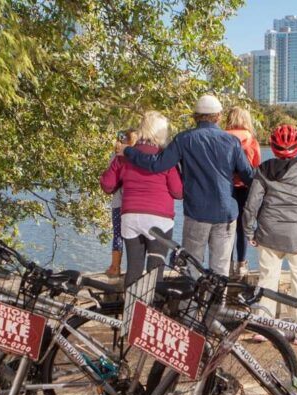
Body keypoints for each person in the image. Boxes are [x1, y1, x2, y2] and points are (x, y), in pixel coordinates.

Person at [118, 95, 254, 277]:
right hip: (226, 213)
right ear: (219, 116)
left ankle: (191, 305)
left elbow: (156, 164)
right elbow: (248, 176)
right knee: (220, 271)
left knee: (193, 267)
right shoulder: (232, 142)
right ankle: (216, 306)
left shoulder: (183, 140)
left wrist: (128, 151)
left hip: (197, 213)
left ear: (195, 116)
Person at [243, 124, 297, 346]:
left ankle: (263, 326)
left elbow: (251, 205)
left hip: (268, 234)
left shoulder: (263, 169)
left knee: (267, 279)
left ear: (273, 146)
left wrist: (249, 230)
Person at [100, 111, 183, 290]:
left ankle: (130, 314)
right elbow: (178, 192)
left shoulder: (125, 155)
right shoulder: (164, 157)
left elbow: (107, 185)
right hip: (159, 219)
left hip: (131, 218)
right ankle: (152, 313)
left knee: (134, 269)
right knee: (155, 272)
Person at [225, 107, 261, 278]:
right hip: (246, 188)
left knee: (227, 226)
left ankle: (228, 263)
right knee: (242, 226)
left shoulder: (222, 137)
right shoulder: (251, 140)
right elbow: (256, 165)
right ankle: (241, 264)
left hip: (226, 187)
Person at [104, 129, 138, 277]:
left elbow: (109, 177)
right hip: (135, 203)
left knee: (118, 234)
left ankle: (115, 267)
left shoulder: (116, 155)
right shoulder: (139, 156)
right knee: (135, 237)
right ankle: (134, 268)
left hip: (119, 202)